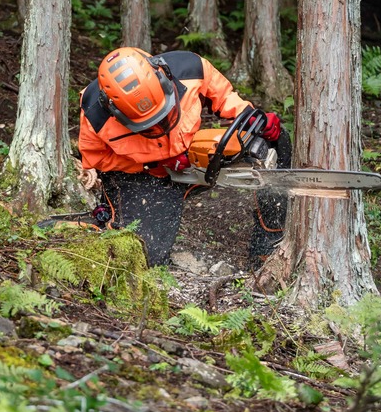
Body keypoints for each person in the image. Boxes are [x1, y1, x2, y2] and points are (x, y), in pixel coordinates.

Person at [77, 47, 292, 267]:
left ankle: (268, 243)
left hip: (193, 159)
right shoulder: (94, 111)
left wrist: (250, 117)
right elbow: (97, 159)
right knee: (147, 254)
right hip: (143, 177)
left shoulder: (190, 68)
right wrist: (152, 164)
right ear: (114, 110)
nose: (158, 126)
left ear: (162, 76)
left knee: (274, 142)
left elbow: (224, 97)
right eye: (149, 125)